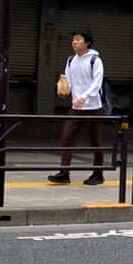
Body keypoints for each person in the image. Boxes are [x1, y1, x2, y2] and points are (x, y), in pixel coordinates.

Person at [48, 30, 107, 185]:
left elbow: (97, 83)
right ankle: (64, 172)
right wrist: (64, 89)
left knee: (95, 141)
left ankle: (98, 173)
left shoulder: (95, 60)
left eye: (78, 39)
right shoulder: (70, 60)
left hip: (93, 107)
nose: (74, 42)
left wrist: (84, 96)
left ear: (87, 42)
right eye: (73, 40)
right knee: (67, 137)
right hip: (75, 107)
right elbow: (68, 79)